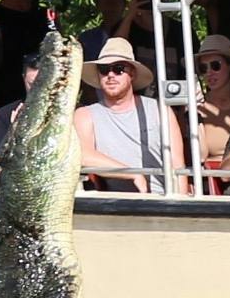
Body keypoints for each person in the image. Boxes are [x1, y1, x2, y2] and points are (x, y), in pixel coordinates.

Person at [72, 36, 184, 195]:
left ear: (132, 73)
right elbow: (82, 155)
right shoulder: (85, 115)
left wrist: (180, 206)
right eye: (104, 69)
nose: (110, 75)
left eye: (118, 69)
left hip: (162, 199)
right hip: (114, 205)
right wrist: (132, 173)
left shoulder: (160, 110)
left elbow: (177, 165)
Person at [191, 35, 230, 191]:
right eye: (203, 68)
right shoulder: (197, 108)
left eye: (215, 65)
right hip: (220, 185)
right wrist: (192, 113)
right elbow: (200, 155)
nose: (209, 73)